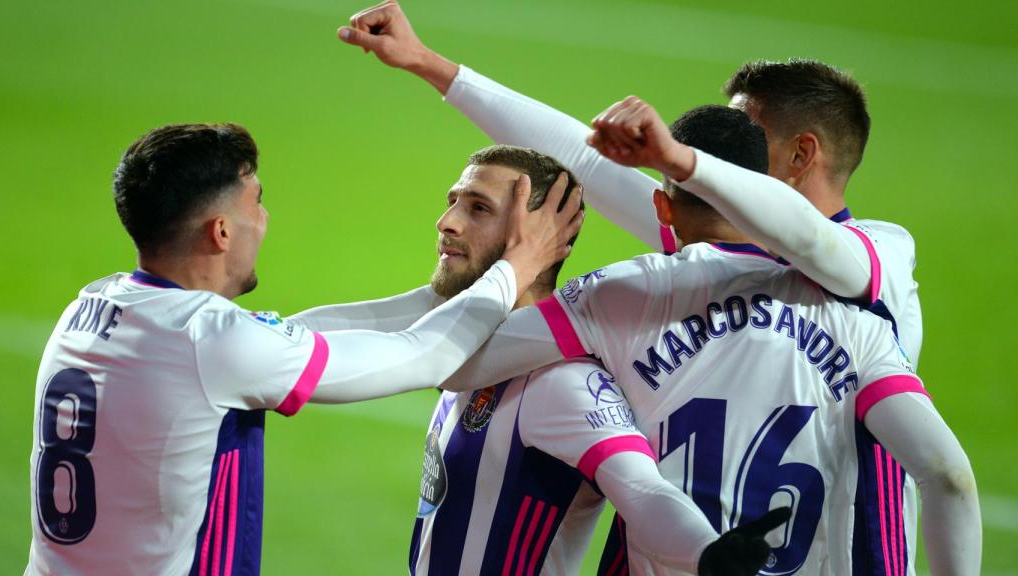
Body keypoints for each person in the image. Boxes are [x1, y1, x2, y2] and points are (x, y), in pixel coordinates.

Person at [335, 3, 924, 568]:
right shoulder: (710, 247)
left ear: (802, 154)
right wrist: (427, 63)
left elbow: (822, 248)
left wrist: (686, 163)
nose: (721, 149)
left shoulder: (878, 264)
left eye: (746, 134)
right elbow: (582, 161)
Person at [439, 106, 980, 575]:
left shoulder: (623, 294)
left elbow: (454, 359)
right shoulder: (861, 316)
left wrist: (516, 265)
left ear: (663, 211)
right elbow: (950, 477)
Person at [25, 123, 582, 575]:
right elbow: (424, 356)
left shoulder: (96, 305)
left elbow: (287, 336)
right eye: (256, 204)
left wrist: (466, 277)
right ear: (221, 231)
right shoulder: (213, 341)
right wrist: (517, 265)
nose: (264, 220)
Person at [291, 145, 789, 576]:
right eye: (453, 202)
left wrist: (706, 553)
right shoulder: (462, 335)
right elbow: (370, 321)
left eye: (478, 209)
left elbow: (639, 487)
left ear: (541, 238)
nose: (447, 222)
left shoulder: (562, 382)